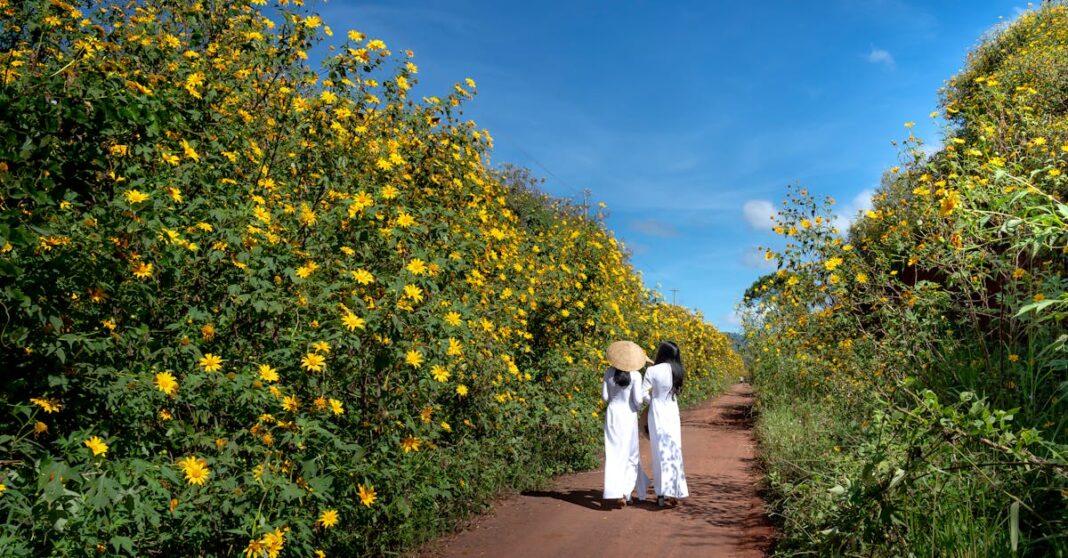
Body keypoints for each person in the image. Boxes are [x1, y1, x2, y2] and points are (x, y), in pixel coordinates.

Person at [601, 340, 652, 507]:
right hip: (628, 415)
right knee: (631, 454)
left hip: (612, 414)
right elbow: (637, 401)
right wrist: (640, 406)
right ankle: (626, 492)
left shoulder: (608, 372)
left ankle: (612, 491)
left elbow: (605, 398)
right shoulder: (636, 375)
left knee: (614, 453)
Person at [642, 340, 688, 507]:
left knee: (659, 451)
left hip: (658, 412)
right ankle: (675, 491)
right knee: (675, 449)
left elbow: (642, 394)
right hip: (672, 410)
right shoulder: (678, 370)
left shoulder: (652, 370)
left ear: (661, 353)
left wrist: (652, 400)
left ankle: (661, 494)